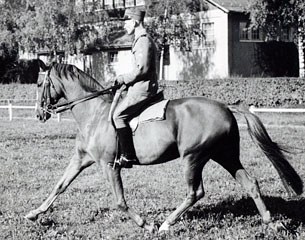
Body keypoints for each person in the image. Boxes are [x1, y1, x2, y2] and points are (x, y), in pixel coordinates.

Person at [112, 8, 159, 168]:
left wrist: (123, 78)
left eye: (126, 21)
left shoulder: (143, 40)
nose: (124, 26)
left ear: (135, 21)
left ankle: (128, 156)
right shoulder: (142, 39)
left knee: (118, 116)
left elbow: (142, 69)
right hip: (138, 86)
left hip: (142, 89)